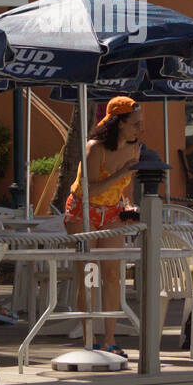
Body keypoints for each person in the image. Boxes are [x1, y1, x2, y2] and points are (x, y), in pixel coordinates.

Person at [63, 95, 143, 358]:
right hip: (82, 212)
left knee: (112, 275)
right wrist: (120, 174)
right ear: (118, 123)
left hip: (111, 212)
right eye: (134, 124)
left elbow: (127, 186)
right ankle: (89, 336)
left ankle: (110, 339)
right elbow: (87, 190)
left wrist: (128, 204)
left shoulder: (134, 148)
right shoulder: (94, 148)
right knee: (89, 275)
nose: (139, 129)